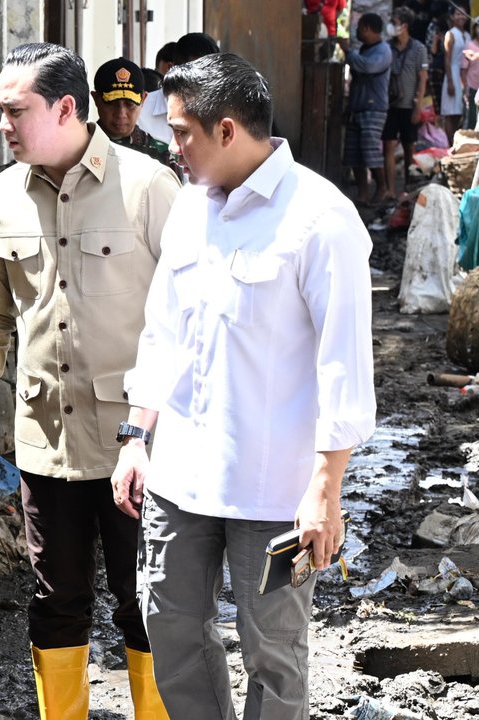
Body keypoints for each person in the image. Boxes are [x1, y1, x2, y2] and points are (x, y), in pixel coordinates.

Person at [111, 53, 377, 720]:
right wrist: (136, 435)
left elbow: (343, 364)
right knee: (169, 626)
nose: (173, 147)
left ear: (226, 131)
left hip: (277, 491)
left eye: (182, 133)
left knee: (273, 651)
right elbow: (162, 330)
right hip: (179, 477)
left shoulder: (320, 217)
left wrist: (326, 488)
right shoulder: (190, 208)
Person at [0, 42, 179, 720]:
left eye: (16, 111)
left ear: (65, 109)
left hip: (137, 442)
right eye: (1, 111)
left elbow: (186, 316)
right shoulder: (1, 195)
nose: (3, 125)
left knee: (149, 600)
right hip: (46, 440)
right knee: (56, 599)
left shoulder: (147, 187)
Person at [91, 57, 183, 177]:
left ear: (143, 99)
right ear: (96, 99)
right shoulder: (80, 147)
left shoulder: (161, 153)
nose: (121, 113)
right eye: (112, 103)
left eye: (130, 104)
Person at [338, 12, 392, 206]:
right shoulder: (364, 49)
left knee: (370, 151)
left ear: (367, 28)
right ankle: (362, 193)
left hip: (373, 109)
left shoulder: (383, 50)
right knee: (354, 154)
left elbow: (368, 67)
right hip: (357, 108)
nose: (357, 31)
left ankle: (382, 187)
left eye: (359, 27)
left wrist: (348, 51)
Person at [136, 32, 220, 144]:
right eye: (196, 76)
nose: (204, 83)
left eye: (211, 75)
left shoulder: (222, 115)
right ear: (172, 69)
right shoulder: (140, 112)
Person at [383, 7, 430, 204]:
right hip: (389, 105)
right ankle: (390, 190)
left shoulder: (419, 49)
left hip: (409, 106)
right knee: (387, 145)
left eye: (394, 23)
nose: (391, 26)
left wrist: (418, 107)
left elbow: (422, 78)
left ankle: (408, 189)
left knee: (409, 148)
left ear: (405, 26)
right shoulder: (387, 47)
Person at [443, 5, 470, 142]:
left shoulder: (468, 35)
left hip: (465, 75)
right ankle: (449, 143)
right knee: (451, 113)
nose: (461, 17)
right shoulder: (451, 34)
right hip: (452, 73)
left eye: (463, 14)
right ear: (452, 17)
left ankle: (457, 143)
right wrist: (450, 81)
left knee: (460, 111)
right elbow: (447, 59)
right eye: (458, 14)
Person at [459, 18, 479, 131]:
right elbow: (463, 70)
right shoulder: (470, 45)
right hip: (472, 88)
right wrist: (465, 88)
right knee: (471, 121)